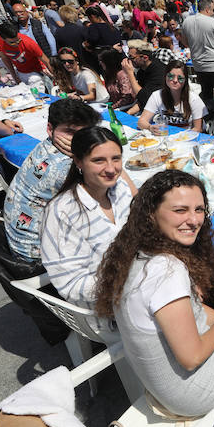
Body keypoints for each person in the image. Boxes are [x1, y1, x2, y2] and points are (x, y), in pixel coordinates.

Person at [95, 169, 214, 417]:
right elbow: (192, 357)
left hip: (169, 387)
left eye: (199, 210)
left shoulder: (133, 252)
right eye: (180, 210)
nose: (194, 220)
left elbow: (190, 309)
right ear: (151, 214)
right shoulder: (166, 272)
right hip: (196, 390)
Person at [41, 127, 136, 309]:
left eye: (116, 158)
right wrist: (131, 283)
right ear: (78, 161)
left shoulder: (121, 189)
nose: (110, 169)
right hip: (106, 307)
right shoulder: (63, 212)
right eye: (98, 160)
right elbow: (71, 284)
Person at [4, 99, 101, 263]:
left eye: (85, 132)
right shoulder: (65, 167)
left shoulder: (47, 144)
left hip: (20, 242)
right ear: (50, 129)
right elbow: (118, 192)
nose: (78, 138)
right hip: (37, 257)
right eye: (70, 131)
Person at [181, 0, 214, 103]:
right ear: (207, 9)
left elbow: (185, 43)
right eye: (212, 10)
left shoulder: (186, 22)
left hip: (198, 65)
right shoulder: (212, 21)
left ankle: (208, 115)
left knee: (206, 92)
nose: (213, 13)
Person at [138, 60, 207, 131]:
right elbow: (141, 122)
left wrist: (181, 138)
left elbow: (198, 129)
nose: (175, 80)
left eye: (180, 78)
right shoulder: (156, 95)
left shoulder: (194, 99)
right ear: (165, 77)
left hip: (185, 138)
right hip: (165, 136)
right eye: (171, 76)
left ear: (185, 80)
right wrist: (150, 127)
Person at [0, 20, 53, 85]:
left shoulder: (28, 42)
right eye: (12, 42)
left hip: (36, 70)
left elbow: (46, 61)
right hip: (20, 71)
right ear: (2, 39)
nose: (16, 44)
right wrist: (14, 76)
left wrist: (57, 78)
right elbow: (5, 59)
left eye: (18, 40)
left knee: (35, 81)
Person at [123, 40, 167, 115]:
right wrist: (129, 113)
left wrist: (130, 73)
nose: (129, 61)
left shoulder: (159, 72)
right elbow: (141, 99)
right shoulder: (142, 71)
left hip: (161, 112)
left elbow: (146, 98)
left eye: (132, 58)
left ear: (145, 57)